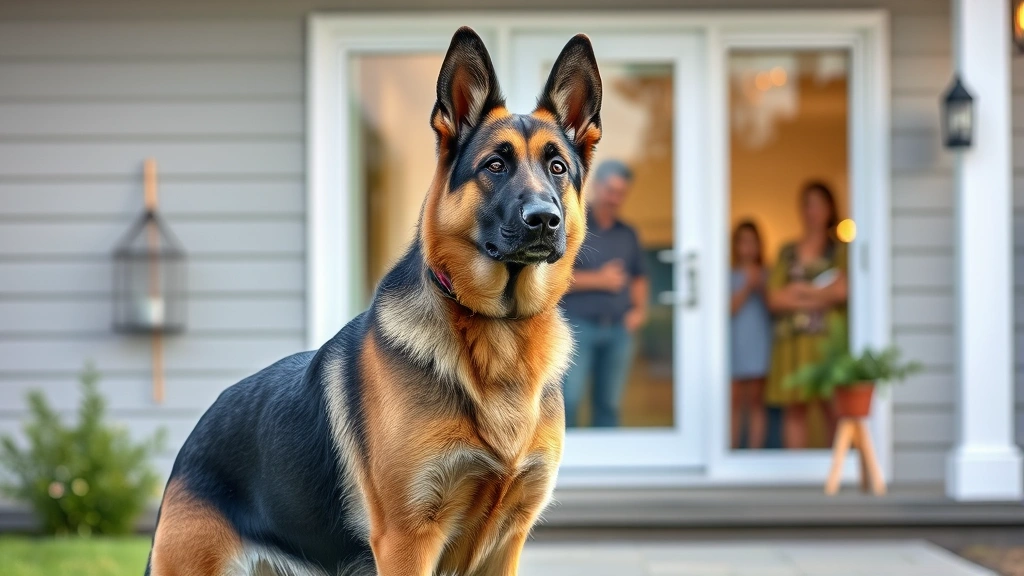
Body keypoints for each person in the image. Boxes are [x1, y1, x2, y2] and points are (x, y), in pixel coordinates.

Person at [560, 160, 649, 428]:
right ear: (595, 186)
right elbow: (553, 277)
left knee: (609, 404)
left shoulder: (628, 233)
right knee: (570, 400)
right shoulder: (572, 226)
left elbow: (639, 277)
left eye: (621, 193)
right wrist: (600, 280)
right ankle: (568, 463)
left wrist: (639, 312)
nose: (615, 198)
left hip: (619, 331)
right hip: (577, 327)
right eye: (611, 191)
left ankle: (607, 462)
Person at [765, 181, 848, 449]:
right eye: (807, 204)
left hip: (827, 341)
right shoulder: (787, 252)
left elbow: (841, 292)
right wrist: (819, 295)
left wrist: (800, 291)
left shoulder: (839, 251)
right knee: (795, 409)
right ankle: (795, 474)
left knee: (832, 407)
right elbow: (775, 298)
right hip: (793, 341)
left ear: (829, 209)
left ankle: (835, 470)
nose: (812, 211)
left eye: (818, 204)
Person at [729, 220, 772, 450]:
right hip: (735, 344)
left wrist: (761, 285)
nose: (747, 248)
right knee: (734, 401)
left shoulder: (768, 274)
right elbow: (729, 308)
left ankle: (755, 452)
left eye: (752, 242)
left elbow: (774, 306)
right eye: (742, 242)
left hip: (759, 343)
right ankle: (732, 448)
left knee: (756, 401)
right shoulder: (728, 275)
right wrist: (747, 286)